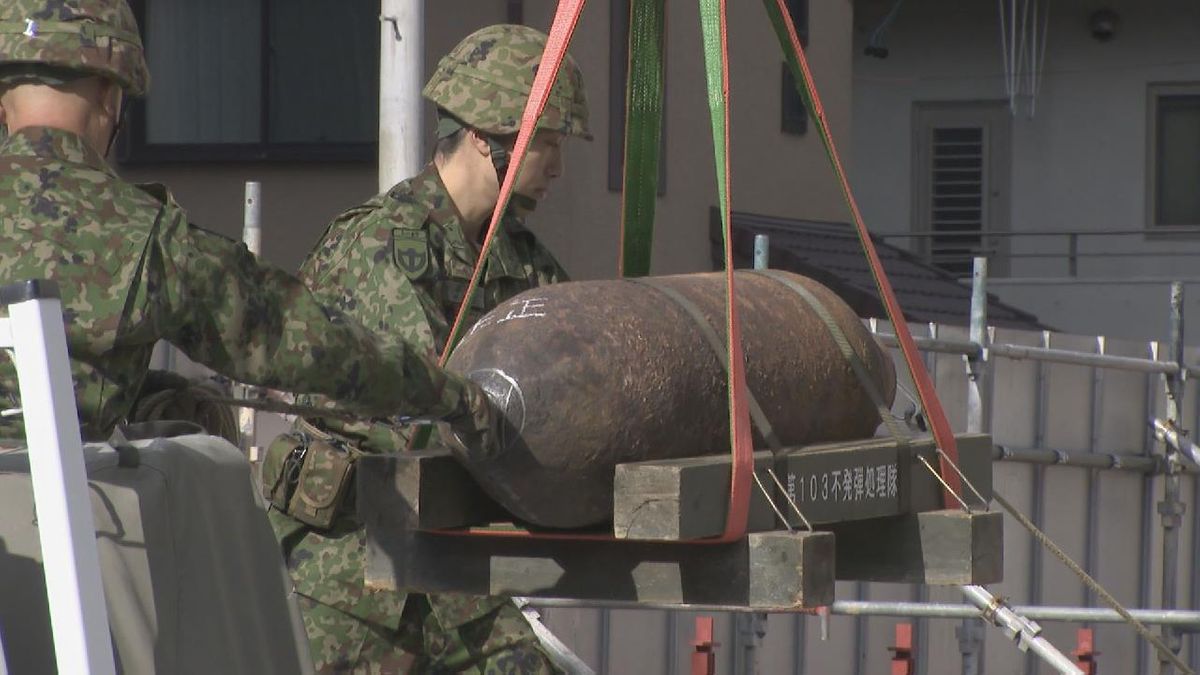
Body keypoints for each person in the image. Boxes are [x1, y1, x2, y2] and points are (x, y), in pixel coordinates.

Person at [0, 0, 495, 453]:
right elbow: (300, 342)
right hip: (56, 530)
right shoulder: (141, 236)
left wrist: (142, 391)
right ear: (110, 97)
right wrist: (453, 395)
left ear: (4, 101)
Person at [271, 24, 592, 674]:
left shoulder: (514, 256)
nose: (557, 166)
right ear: (483, 136)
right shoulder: (379, 248)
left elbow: (579, 363)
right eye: (546, 143)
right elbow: (420, 411)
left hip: (446, 562)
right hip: (349, 575)